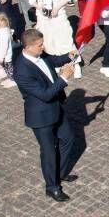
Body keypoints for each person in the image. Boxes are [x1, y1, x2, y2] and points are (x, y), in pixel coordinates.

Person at [11, 28, 82, 203]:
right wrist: (64, 78)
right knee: (49, 152)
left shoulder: (40, 55)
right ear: (27, 47)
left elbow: (51, 60)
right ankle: (52, 187)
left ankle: (60, 173)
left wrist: (68, 55)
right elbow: (45, 94)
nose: (43, 48)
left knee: (68, 139)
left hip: (56, 108)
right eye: (39, 45)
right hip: (41, 117)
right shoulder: (22, 71)